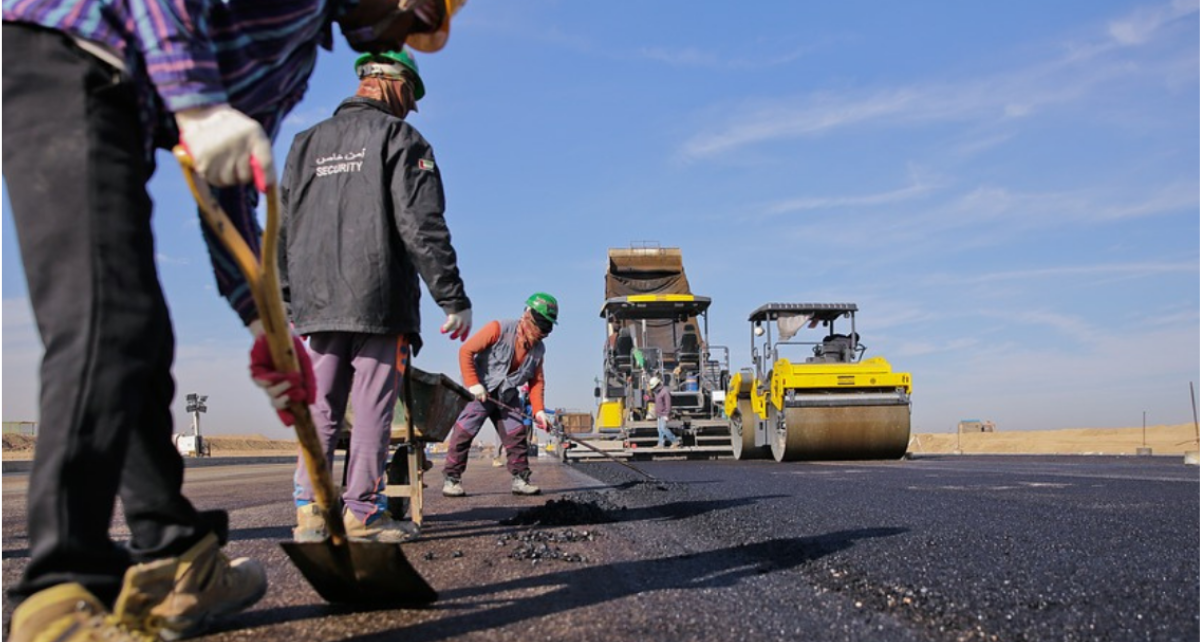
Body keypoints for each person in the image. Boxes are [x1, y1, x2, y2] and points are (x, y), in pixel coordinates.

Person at [1, 1, 463, 639]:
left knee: (140, 338)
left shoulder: (296, 59)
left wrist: (259, 319)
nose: (406, 34)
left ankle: (176, 555)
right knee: (106, 323)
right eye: (417, 19)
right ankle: (59, 594)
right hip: (67, 57)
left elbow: (228, 183)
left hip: (122, 108)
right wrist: (195, 104)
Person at [280, 49, 471, 544]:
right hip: (378, 300)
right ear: (394, 83)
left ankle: (310, 512)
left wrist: (288, 298)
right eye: (410, 97)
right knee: (371, 409)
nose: (409, 108)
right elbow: (421, 225)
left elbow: (282, 227)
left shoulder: (304, 144)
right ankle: (362, 514)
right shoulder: (401, 139)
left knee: (320, 406)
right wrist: (452, 296)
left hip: (317, 303)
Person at [443, 294, 559, 497]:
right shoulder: (499, 328)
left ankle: (521, 480)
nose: (542, 332)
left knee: (517, 435)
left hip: (507, 395)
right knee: (464, 432)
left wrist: (539, 411)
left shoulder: (539, 349)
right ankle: (452, 479)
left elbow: (536, 381)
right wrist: (473, 384)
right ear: (527, 315)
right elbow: (466, 351)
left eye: (546, 327)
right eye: (540, 325)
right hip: (481, 391)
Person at [650, 377, 679, 448]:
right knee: (660, 429)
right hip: (659, 414)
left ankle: (675, 441)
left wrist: (666, 415)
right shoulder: (657, 392)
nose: (653, 389)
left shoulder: (665, 392)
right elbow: (656, 401)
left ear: (657, 385)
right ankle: (660, 444)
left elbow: (668, 405)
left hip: (664, 414)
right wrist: (648, 398)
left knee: (664, 428)